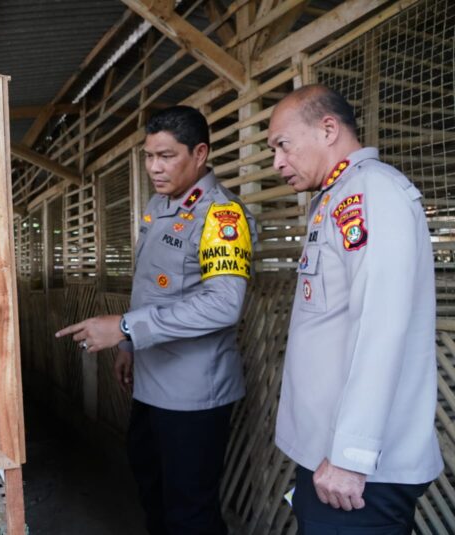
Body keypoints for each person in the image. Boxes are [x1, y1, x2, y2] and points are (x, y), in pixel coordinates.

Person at [55, 106, 256, 534]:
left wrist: (125, 328)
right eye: (149, 156)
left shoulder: (221, 216)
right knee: (150, 484)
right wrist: (130, 347)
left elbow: (223, 304)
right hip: (151, 381)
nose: (153, 167)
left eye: (166, 156)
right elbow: (151, 286)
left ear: (199, 153)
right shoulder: (159, 204)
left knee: (190, 511)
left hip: (193, 393)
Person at [269, 85, 443, 534]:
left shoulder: (372, 191)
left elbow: (379, 326)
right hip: (331, 459)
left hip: (359, 474)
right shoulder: (335, 197)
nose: (277, 162)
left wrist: (351, 456)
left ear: (328, 129)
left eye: (282, 145)